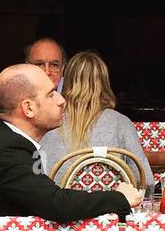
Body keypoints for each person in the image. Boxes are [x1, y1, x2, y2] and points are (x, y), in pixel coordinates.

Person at [0, 63, 143, 220]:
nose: (62, 100)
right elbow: (56, 205)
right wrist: (119, 198)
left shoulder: (5, 140)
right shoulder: (9, 149)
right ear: (28, 108)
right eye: (51, 94)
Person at [40, 49, 153, 190]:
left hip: (60, 209)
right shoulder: (120, 122)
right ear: (104, 83)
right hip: (112, 209)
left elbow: (37, 179)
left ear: (67, 81)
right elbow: (146, 182)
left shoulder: (48, 122)